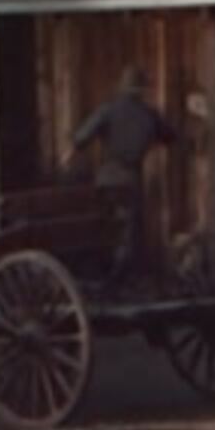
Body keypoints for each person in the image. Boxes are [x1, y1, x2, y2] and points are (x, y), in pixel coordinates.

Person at [67, 63, 175, 296]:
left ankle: (105, 280)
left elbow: (80, 138)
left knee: (104, 230)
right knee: (130, 233)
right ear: (141, 90)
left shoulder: (108, 110)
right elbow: (170, 135)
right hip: (132, 181)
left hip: (106, 180)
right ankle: (124, 279)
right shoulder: (149, 114)